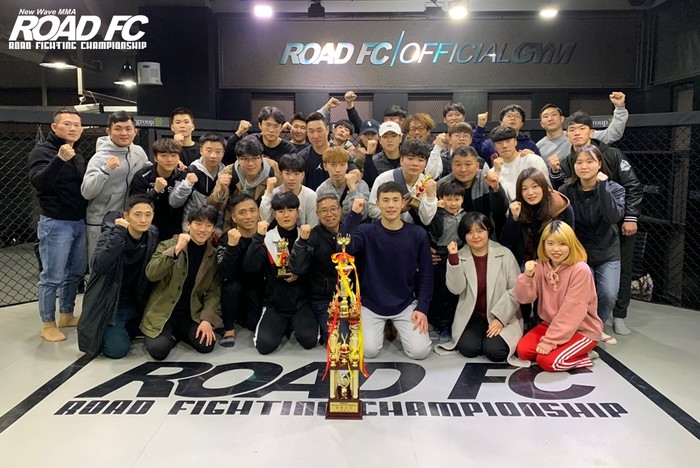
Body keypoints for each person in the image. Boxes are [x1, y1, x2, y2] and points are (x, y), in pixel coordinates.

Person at [550, 111, 643, 336]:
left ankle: (617, 316)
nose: (577, 133)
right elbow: (561, 198)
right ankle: (585, 325)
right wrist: (555, 173)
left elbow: (632, 186)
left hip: (614, 223)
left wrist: (630, 217)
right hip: (582, 237)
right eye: (572, 129)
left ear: (591, 132)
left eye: (581, 128)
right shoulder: (566, 162)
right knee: (583, 288)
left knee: (615, 280)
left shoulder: (612, 154)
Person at [341, 181, 433, 360]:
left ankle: (398, 329)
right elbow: (343, 249)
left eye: (395, 200)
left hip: (405, 303)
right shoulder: (365, 231)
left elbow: (426, 273)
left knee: (420, 352)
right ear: (377, 204)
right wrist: (354, 215)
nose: (391, 205)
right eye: (385, 200)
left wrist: (422, 307)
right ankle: (383, 328)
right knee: (368, 351)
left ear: (403, 203)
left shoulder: (417, 234)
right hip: (371, 304)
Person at [434, 212, 525, 366]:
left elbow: (516, 290)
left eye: (480, 231)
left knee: (495, 352)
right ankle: (482, 337)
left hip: (501, 314)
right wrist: (454, 259)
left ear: (488, 231)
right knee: (468, 349)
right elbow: (456, 289)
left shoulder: (505, 254)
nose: (475, 236)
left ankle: (490, 339)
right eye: (469, 232)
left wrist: (500, 319)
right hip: (473, 316)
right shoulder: (460, 255)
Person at [28, 107, 88, 342]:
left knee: (74, 273)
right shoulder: (42, 151)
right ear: (54, 127)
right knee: (52, 276)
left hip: (79, 221)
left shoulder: (78, 154)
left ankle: (66, 314)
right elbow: (39, 182)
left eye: (77, 125)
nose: (73, 128)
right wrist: (59, 160)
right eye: (67, 124)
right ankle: (47, 324)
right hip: (56, 222)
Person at [559, 145, 625, 345]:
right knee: (581, 295)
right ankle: (583, 327)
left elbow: (612, 217)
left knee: (608, 294)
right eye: (579, 162)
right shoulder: (566, 191)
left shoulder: (615, 188)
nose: (584, 166)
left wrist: (603, 188)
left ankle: (597, 326)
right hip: (579, 252)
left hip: (607, 251)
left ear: (599, 164)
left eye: (590, 161)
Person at [515, 220, 602, 371]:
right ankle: (566, 350)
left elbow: (571, 311)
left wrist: (549, 342)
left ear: (571, 245)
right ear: (543, 244)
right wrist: (527, 277)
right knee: (523, 352)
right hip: (551, 324)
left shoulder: (580, 270)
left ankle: (586, 355)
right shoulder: (540, 265)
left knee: (547, 362)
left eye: (562, 244)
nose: (556, 249)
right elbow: (524, 299)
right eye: (550, 243)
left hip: (582, 329)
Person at [77, 195, 158, 358]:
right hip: (113, 307)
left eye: (148, 214)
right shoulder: (112, 234)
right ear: (126, 216)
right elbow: (99, 265)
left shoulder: (152, 235)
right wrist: (119, 232)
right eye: (137, 214)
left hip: (137, 305)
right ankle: (110, 330)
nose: (143, 220)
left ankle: (126, 328)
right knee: (117, 350)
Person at [140, 205, 223, 360]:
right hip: (164, 312)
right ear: (188, 224)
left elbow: (214, 291)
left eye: (208, 225)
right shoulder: (168, 245)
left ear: (213, 229)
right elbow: (151, 274)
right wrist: (176, 250)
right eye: (198, 224)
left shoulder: (212, 255)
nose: (203, 229)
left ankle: (177, 334)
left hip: (191, 314)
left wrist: (206, 319)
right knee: (159, 350)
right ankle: (171, 335)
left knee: (206, 345)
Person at [243, 192, 318, 354]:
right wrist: (257, 237)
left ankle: (292, 325)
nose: (286, 215)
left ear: (298, 212)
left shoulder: (306, 236)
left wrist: (299, 274)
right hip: (275, 304)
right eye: (280, 211)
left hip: (301, 303)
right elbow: (250, 267)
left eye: (290, 210)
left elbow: (314, 270)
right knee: (264, 346)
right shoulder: (267, 238)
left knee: (309, 341)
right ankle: (283, 326)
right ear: (274, 214)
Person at [81, 110, 150, 262]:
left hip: (129, 222)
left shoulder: (138, 152)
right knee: (100, 267)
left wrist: (172, 164)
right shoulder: (99, 158)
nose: (124, 133)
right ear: (109, 132)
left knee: (125, 267)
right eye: (118, 129)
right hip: (101, 222)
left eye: (128, 129)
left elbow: (149, 170)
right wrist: (105, 170)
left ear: (135, 131)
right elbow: (87, 192)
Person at [289, 194, 350, 343]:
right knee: (339, 341)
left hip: (352, 297)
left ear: (340, 210)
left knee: (360, 337)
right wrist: (302, 241)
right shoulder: (312, 236)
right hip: (324, 299)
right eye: (324, 210)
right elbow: (297, 268)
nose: (329, 214)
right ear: (317, 214)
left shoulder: (351, 232)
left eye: (333, 209)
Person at [217, 194, 265, 347]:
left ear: (258, 212)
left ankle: (242, 316)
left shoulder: (265, 235)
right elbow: (225, 272)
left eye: (252, 210)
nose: (249, 216)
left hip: (257, 287)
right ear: (234, 217)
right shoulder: (227, 238)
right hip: (234, 286)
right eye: (242, 212)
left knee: (252, 324)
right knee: (231, 286)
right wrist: (231, 246)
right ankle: (228, 329)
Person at [500, 167, 574, 268]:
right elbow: (508, 240)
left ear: (543, 186)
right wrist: (514, 219)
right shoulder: (517, 206)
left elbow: (570, 241)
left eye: (535, 186)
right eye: (524, 189)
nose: (530, 192)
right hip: (525, 263)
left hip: (554, 261)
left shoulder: (561, 206)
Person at [537, 92, 628, 163]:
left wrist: (619, 108)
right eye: (545, 116)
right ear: (541, 123)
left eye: (554, 115)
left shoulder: (581, 135)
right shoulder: (538, 147)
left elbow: (612, 134)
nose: (550, 119)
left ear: (562, 119)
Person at [427, 182, 468, 342]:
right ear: (441, 199)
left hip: (458, 254)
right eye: (448, 199)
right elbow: (436, 231)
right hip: (440, 255)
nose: (453, 203)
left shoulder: (465, 216)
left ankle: (449, 324)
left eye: (457, 199)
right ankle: (439, 323)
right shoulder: (437, 215)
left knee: (453, 293)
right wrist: (438, 210)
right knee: (440, 292)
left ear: (462, 199)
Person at [436, 146, 508, 237]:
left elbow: (501, 210)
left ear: (477, 166)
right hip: (453, 238)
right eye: (458, 165)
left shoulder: (486, 180)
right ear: (451, 166)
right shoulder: (442, 185)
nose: (463, 169)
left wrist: (496, 189)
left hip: (485, 235)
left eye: (468, 164)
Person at [208, 135, 274, 232]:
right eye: (245, 159)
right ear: (238, 159)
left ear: (261, 158)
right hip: (233, 228)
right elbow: (214, 207)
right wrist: (221, 191)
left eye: (255, 158)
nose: (250, 163)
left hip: (263, 229)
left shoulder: (273, 172)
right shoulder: (229, 172)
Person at [368, 139, 438, 226]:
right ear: (401, 160)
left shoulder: (427, 184)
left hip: (413, 230)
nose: (415, 164)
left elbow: (426, 220)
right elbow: (372, 210)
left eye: (420, 160)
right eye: (410, 159)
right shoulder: (384, 179)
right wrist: (398, 210)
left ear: (426, 163)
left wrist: (431, 197)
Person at [169, 132, 226, 233]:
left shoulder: (226, 173)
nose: (213, 156)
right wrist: (187, 184)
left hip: (216, 230)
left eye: (218, 151)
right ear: (201, 151)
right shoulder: (191, 171)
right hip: (192, 229)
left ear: (223, 153)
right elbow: (173, 202)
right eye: (209, 151)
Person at [129, 138, 184, 241]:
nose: (169, 160)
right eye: (163, 155)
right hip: (147, 229)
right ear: (155, 158)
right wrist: (155, 191)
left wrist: (178, 231)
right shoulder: (142, 176)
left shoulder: (182, 176)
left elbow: (183, 208)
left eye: (173, 155)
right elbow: (136, 205)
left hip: (174, 231)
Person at [297, 112, 361, 191]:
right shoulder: (302, 157)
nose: (315, 136)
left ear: (327, 129)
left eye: (319, 130)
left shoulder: (340, 153)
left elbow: (355, 172)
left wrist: (352, 176)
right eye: (311, 131)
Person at [487, 125, 549, 202]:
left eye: (508, 141)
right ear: (494, 147)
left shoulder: (533, 160)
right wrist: (497, 173)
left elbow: (547, 190)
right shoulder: (493, 173)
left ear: (515, 142)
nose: (505, 146)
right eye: (499, 143)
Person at [223, 106, 296, 167]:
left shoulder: (289, 150)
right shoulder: (250, 141)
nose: (271, 130)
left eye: (276, 126)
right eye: (267, 125)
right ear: (260, 125)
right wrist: (238, 133)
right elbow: (229, 157)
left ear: (281, 127)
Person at [260, 153, 318, 226]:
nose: (291, 178)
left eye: (296, 174)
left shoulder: (311, 196)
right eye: (287, 173)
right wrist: (268, 192)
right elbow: (265, 219)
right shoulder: (275, 193)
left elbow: (313, 225)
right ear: (281, 174)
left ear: (303, 175)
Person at [473, 105, 541, 165]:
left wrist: (533, 157)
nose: (513, 118)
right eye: (509, 115)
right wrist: (480, 127)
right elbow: (474, 150)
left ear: (522, 123)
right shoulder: (491, 143)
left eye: (517, 116)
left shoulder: (530, 145)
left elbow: (539, 166)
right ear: (501, 122)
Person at [315, 147, 370, 220]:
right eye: (333, 165)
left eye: (342, 164)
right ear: (325, 166)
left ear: (347, 165)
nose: (338, 170)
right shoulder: (322, 190)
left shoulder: (360, 185)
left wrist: (353, 189)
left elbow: (363, 215)